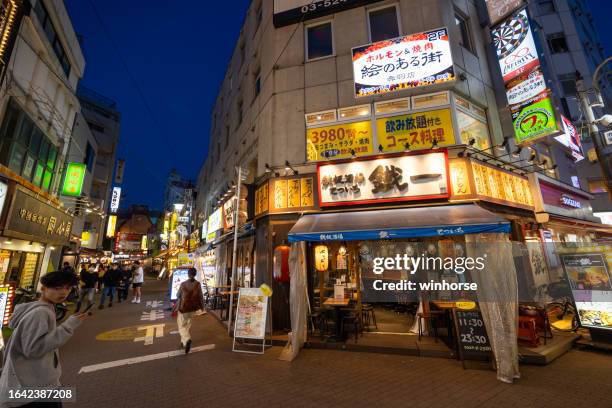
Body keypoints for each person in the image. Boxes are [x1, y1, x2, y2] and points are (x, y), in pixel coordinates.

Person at [0, 271, 87, 407]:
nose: (63, 293)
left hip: (29, 382)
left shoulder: (41, 308)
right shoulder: (40, 312)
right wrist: (68, 326)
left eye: (68, 288)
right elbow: (34, 349)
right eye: (57, 288)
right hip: (36, 387)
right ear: (43, 288)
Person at [173, 267, 205, 354]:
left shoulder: (183, 284)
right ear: (195, 274)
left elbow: (177, 295)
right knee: (187, 325)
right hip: (193, 308)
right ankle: (183, 343)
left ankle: (187, 339)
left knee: (181, 326)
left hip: (184, 309)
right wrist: (202, 307)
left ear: (188, 274)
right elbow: (201, 297)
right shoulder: (198, 284)